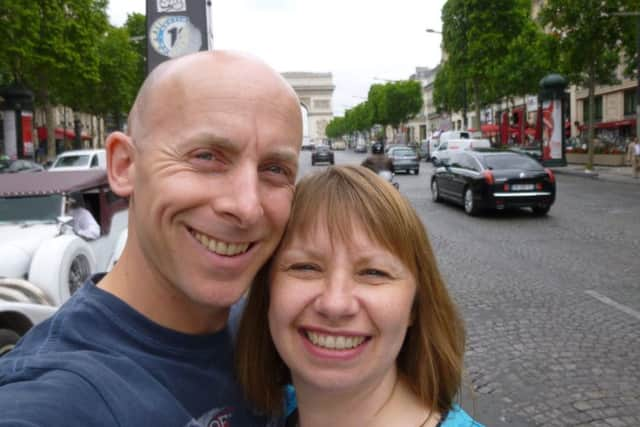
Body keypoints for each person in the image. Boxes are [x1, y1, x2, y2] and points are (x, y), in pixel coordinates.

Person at [0, 50, 302, 426]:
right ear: (124, 165)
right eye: (207, 156)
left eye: (275, 169)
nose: (246, 206)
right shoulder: (50, 399)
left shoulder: (274, 333)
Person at [236, 166, 484, 427]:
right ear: (267, 291)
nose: (335, 304)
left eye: (373, 272)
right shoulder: (256, 413)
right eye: (305, 267)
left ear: (415, 304)